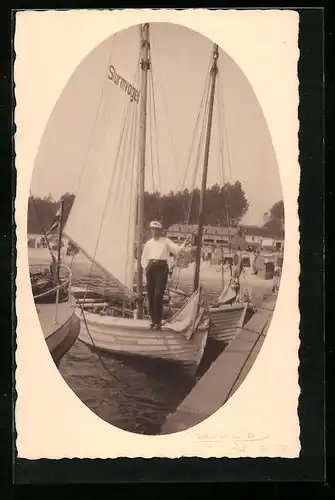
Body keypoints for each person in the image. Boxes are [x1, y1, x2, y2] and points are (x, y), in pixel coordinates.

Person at [141, 221, 192, 330]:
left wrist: (185, 243)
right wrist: (146, 271)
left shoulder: (165, 241)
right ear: (151, 230)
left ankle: (158, 321)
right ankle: (153, 320)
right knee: (150, 295)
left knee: (158, 295)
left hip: (161, 268)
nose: (154, 231)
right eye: (152, 229)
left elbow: (176, 250)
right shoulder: (148, 243)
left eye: (156, 229)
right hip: (150, 268)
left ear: (160, 231)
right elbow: (144, 259)